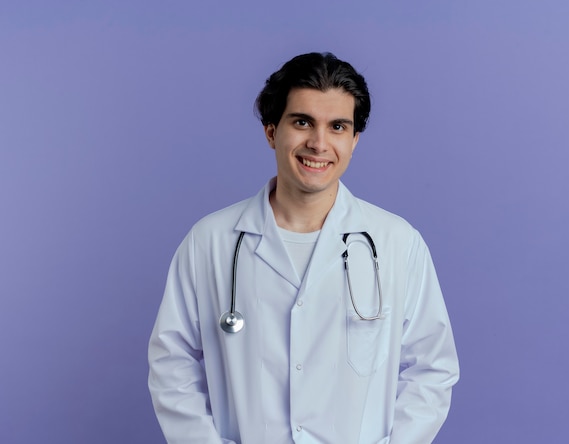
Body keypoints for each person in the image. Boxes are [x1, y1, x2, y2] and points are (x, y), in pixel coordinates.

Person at [148, 52, 459, 444]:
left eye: (338, 126)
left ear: (354, 140)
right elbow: (171, 362)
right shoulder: (210, 242)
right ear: (271, 131)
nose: (319, 143)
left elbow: (431, 369)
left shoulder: (397, 243)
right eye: (302, 122)